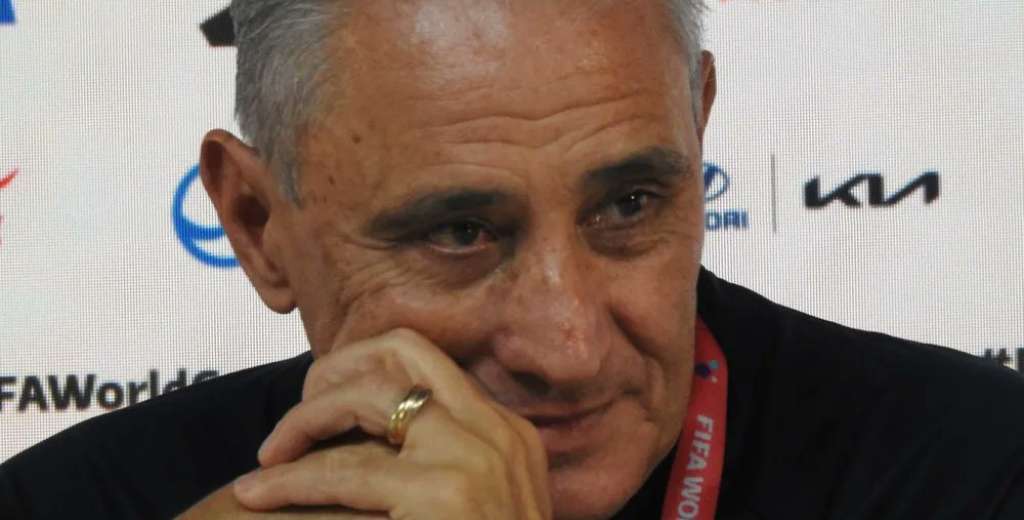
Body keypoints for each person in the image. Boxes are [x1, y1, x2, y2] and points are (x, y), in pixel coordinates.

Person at [3, 0, 1024, 518]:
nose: (569, 346)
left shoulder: (978, 469)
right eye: (459, 232)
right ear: (259, 222)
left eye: (629, 205)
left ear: (697, 128)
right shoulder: (71, 504)